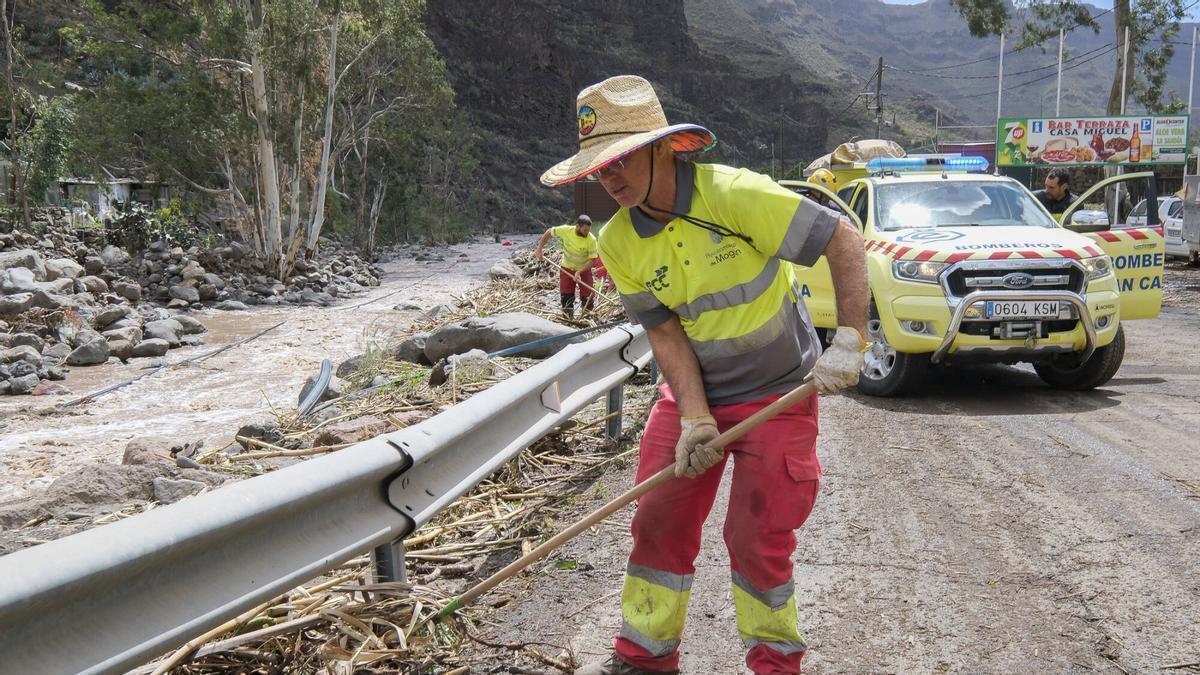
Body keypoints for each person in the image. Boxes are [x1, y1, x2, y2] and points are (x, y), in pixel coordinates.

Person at [540, 75, 870, 675]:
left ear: (661, 147)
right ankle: (644, 657)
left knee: (758, 538)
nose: (607, 178)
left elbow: (843, 241)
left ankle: (775, 662)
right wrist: (693, 415)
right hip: (695, 397)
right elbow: (664, 334)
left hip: (780, 395)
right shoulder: (616, 241)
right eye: (597, 168)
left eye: (617, 161)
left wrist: (850, 339)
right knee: (658, 521)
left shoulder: (734, 195)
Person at [535, 214, 600, 319]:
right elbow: (549, 232)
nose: (587, 233)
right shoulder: (566, 230)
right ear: (577, 226)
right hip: (567, 268)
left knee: (588, 295)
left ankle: (587, 317)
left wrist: (579, 272)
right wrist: (539, 248)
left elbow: (592, 261)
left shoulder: (591, 239)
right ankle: (567, 318)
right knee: (566, 295)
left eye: (588, 230)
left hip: (583, 269)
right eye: (584, 230)